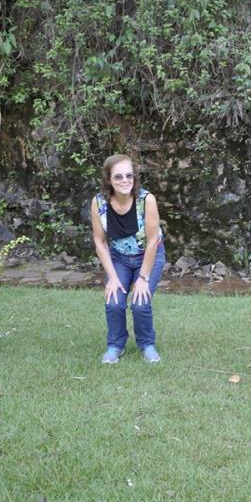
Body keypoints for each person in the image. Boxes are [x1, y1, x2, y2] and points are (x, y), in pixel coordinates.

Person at [91, 154, 165, 364]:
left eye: (129, 175)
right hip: (119, 258)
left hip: (148, 256)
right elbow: (100, 241)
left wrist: (143, 278)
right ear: (109, 179)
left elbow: (152, 241)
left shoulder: (146, 200)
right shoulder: (99, 202)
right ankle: (115, 345)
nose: (125, 180)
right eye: (118, 176)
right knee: (114, 301)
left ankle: (147, 344)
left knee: (140, 303)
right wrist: (112, 278)